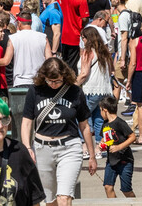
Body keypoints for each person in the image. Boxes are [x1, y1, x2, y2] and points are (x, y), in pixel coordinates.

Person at [20, 58, 98, 206]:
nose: (53, 84)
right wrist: (27, 147)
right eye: (50, 81)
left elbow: (85, 126)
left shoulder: (75, 92)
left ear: (64, 76)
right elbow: (27, 122)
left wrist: (92, 155)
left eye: (57, 81)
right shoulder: (35, 91)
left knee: (64, 197)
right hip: (42, 148)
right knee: (49, 200)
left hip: (69, 147)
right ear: (43, 77)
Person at [76, 25, 114, 144]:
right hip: (104, 89)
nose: (82, 40)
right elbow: (110, 71)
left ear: (89, 38)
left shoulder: (88, 53)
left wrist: (74, 84)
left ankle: (84, 144)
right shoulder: (104, 52)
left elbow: (84, 73)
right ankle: (100, 145)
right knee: (99, 118)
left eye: (83, 38)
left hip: (91, 89)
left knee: (81, 117)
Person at [97, 96, 136, 198]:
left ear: (105, 110)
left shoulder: (120, 123)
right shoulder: (105, 124)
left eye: (100, 110)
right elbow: (105, 138)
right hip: (111, 161)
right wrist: (102, 145)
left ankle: (135, 203)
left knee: (126, 190)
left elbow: (132, 137)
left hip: (125, 161)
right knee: (108, 187)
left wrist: (119, 147)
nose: (100, 113)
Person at [57, 0, 89, 69]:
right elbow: (85, 18)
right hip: (74, 36)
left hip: (61, 35)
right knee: (72, 65)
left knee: (63, 63)